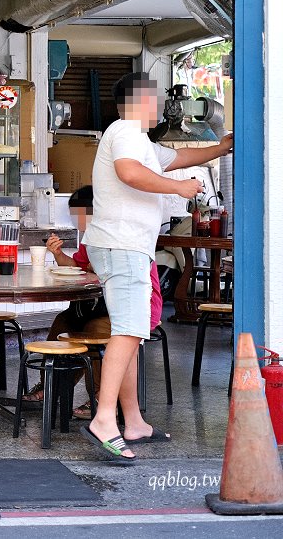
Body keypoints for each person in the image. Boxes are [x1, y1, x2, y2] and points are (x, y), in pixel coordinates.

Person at [81, 72, 232, 464]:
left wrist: (220, 149)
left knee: (129, 335)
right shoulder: (127, 131)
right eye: (155, 99)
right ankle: (103, 419)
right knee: (130, 332)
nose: (161, 108)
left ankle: (133, 421)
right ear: (137, 101)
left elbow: (179, 157)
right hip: (124, 245)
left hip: (121, 244)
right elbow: (129, 173)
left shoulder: (138, 138)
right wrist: (178, 188)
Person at [22, 186, 163, 419]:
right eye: (74, 215)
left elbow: (116, 269)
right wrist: (57, 254)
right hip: (101, 305)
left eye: (81, 214)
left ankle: (100, 396)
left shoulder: (122, 233)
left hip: (136, 307)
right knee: (63, 322)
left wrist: (91, 267)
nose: (77, 220)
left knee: (95, 330)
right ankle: (51, 387)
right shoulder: (91, 238)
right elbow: (79, 266)